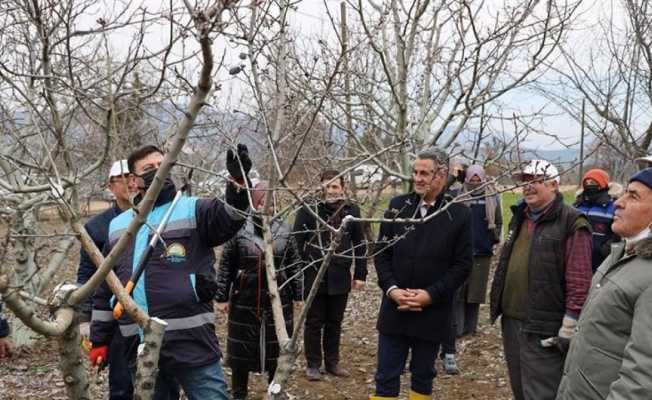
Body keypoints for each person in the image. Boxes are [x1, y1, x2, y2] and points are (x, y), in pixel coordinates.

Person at [90, 144, 252, 400]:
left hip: (192, 340)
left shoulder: (194, 208)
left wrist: (238, 184)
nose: (158, 171)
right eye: (148, 168)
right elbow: (106, 286)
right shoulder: (117, 227)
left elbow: (231, 216)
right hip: (139, 344)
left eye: (161, 165)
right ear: (133, 180)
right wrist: (99, 338)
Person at [370, 147, 472, 400]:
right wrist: (392, 290)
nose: (417, 178)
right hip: (395, 310)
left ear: (442, 174)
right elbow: (381, 254)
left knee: (423, 377)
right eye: (415, 172)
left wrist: (429, 295)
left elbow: (462, 265)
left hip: (432, 312)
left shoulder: (458, 214)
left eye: (424, 173)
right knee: (385, 377)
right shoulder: (397, 207)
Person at [489, 159, 593, 400]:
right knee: (520, 389)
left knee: (542, 392)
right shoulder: (521, 217)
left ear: (554, 185)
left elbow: (580, 279)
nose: (528, 187)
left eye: (536, 180)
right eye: (525, 181)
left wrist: (569, 325)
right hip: (513, 322)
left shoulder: (572, 222)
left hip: (545, 326)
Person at [556, 168, 652, 399]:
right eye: (624, 193)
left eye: (634, 196)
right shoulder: (621, 252)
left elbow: (642, 378)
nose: (618, 202)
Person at [216, 182, 303, 400]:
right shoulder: (239, 229)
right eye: (261, 200)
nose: (266, 206)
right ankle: (239, 393)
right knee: (240, 351)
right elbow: (226, 264)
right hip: (244, 298)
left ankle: (276, 390)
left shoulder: (284, 229)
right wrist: (221, 296)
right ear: (253, 202)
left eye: (269, 201)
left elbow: (294, 264)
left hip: (279, 299)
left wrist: (299, 293)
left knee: (276, 347)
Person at [293, 169, 367, 381]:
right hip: (313, 273)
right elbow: (296, 242)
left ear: (342, 188)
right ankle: (313, 364)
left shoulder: (351, 210)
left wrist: (360, 273)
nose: (331, 191)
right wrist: (298, 273)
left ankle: (332, 362)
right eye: (327, 186)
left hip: (340, 274)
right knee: (314, 321)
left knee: (335, 321)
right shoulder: (309, 209)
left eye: (335, 186)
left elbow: (360, 243)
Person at [79, 160, 139, 400]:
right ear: (110, 186)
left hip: (154, 311)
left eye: (133, 177)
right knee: (122, 384)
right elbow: (87, 275)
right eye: (122, 178)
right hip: (115, 316)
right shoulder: (97, 227)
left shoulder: (158, 218)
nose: (129, 184)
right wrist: (86, 320)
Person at [573, 168, 621, 272]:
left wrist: (606, 248)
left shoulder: (613, 206)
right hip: (576, 258)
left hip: (601, 260)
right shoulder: (577, 205)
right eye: (587, 182)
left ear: (602, 184)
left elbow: (619, 232)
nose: (589, 185)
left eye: (593, 182)